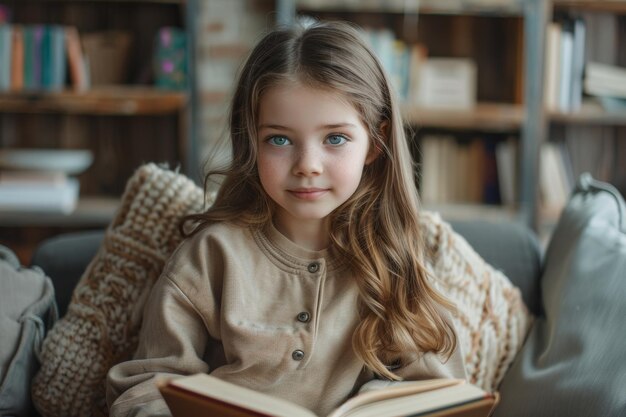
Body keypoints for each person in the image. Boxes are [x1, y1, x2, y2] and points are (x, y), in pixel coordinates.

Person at [107, 21, 531, 417]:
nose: (307, 165)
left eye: (335, 138)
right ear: (250, 141)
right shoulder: (212, 255)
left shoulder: (398, 262)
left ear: (374, 144)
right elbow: (146, 386)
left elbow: (434, 394)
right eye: (279, 139)